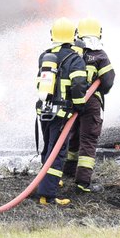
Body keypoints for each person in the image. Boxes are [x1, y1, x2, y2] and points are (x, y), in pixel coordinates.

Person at [34, 17, 89, 206]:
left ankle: (46, 182)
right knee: (57, 154)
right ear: (73, 37)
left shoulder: (45, 56)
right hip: (62, 114)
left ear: (53, 35)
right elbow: (79, 85)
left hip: (44, 112)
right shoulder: (75, 59)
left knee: (48, 148)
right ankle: (47, 196)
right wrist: (80, 106)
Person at [62, 17, 116, 192]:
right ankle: (82, 183)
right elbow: (108, 81)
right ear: (98, 34)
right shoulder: (100, 55)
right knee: (88, 140)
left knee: (72, 136)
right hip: (91, 103)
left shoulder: (71, 54)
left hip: (71, 102)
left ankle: (67, 172)